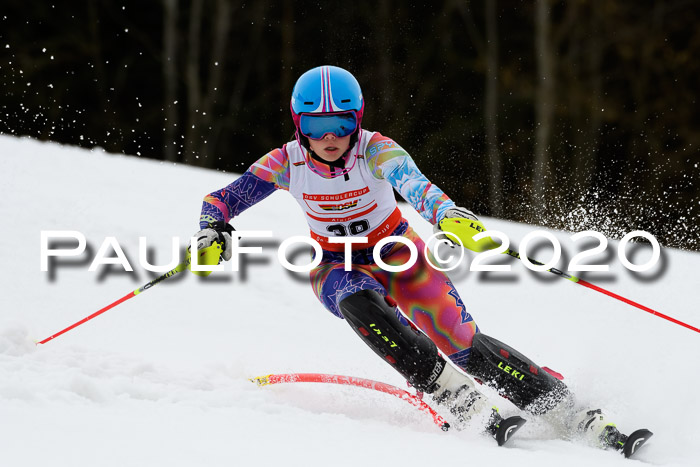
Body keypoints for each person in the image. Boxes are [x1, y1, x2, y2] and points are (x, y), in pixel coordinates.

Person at [191, 65, 621, 445]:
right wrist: (211, 229)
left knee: (464, 344)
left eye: (340, 124)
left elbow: (416, 185)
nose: (328, 137)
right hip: (333, 263)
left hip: (400, 252)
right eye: (316, 124)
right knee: (356, 300)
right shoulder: (286, 162)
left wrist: (447, 214)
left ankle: (568, 411)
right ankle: (453, 395)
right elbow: (223, 198)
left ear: (356, 120)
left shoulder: (375, 149)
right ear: (298, 122)